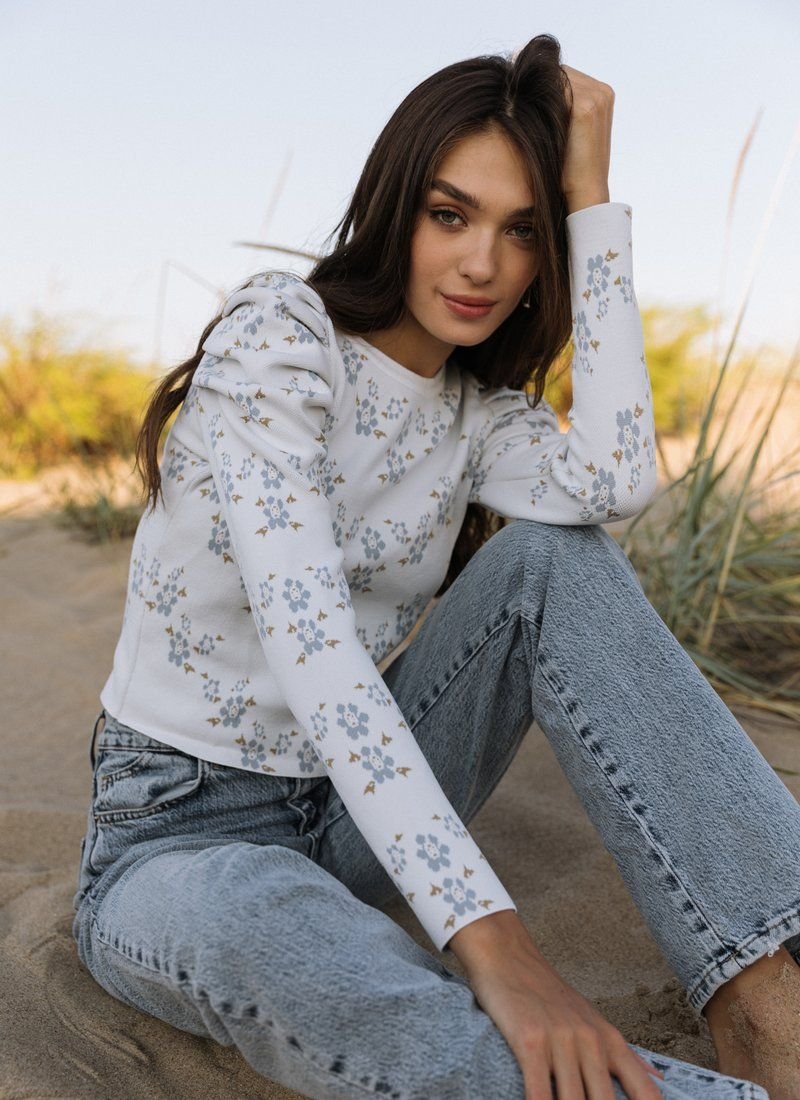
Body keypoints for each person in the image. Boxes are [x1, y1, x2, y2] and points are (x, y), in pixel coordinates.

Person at [70, 32, 800, 1100]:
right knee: (296, 953)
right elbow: (314, 649)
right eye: (448, 214)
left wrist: (591, 199)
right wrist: (496, 943)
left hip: (354, 820)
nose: (480, 264)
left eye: (522, 232)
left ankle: (766, 992)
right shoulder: (278, 338)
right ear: (394, 205)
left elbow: (613, 481)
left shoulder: (478, 420)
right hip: (175, 841)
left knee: (556, 559)